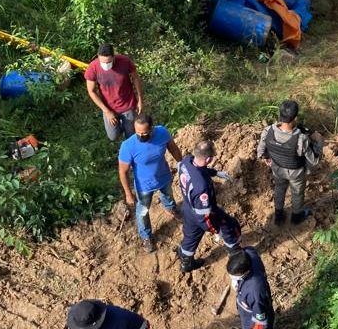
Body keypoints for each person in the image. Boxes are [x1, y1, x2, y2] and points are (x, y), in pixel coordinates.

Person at [119, 113, 183, 252]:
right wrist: (128, 194)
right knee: (142, 211)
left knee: (168, 195)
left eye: (145, 133)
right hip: (144, 186)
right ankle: (146, 236)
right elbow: (123, 172)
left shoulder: (162, 132)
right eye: (138, 133)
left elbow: (173, 148)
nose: (141, 136)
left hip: (164, 177)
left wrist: (181, 164)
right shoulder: (128, 146)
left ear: (152, 129)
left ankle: (171, 208)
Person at [176, 140, 241, 273]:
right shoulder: (202, 187)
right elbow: (204, 216)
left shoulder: (186, 161)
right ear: (209, 159)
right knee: (228, 226)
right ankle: (235, 253)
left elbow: (200, 170)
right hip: (202, 213)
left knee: (191, 237)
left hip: (188, 209)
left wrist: (215, 172)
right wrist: (214, 229)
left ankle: (186, 263)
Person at [257, 100, 323, 226]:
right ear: (295, 117)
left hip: (277, 169)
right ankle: (296, 217)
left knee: (279, 189)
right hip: (295, 172)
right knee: (297, 193)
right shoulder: (301, 138)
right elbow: (314, 160)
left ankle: (278, 215)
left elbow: (260, 152)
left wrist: (266, 158)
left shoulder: (268, 131)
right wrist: (319, 143)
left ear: (280, 114)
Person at [85, 43, 144, 142]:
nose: (106, 65)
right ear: (98, 57)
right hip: (109, 107)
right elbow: (91, 91)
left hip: (128, 105)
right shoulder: (93, 68)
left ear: (114, 57)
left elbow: (136, 79)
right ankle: (122, 125)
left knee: (131, 136)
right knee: (113, 136)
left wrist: (140, 99)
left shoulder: (124, 61)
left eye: (108, 62)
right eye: (102, 62)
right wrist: (106, 111)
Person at [226, 247, 275, 329]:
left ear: (245, 272)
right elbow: (248, 249)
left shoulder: (255, 291)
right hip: (248, 305)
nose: (232, 277)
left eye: (235, 276)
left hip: (254, 316)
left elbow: (260, 323)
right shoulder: (249, 253)